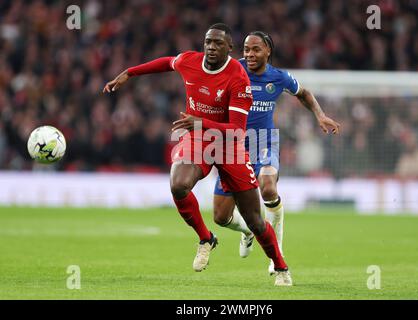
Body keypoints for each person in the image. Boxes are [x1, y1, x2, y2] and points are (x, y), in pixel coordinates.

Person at [103, 24, 292, 286]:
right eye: (208, 42)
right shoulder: (191, 61)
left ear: (229, 49)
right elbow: (166, 63)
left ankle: (281, 267)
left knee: (255, 221)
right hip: (198, 138)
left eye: (217, 44)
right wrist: (128, 73)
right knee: (178, 184)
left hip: (229, 146)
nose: (211, 48)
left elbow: (237, 130)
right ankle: (206, 239)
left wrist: (201, 123)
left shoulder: (238, 77)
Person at [213, 31, 340, 275]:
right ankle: (249, 230)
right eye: (246, 49)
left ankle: (276, 255)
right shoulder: (232, 69)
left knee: (268, 188)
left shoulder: (279, 77)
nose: (249, 54)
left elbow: (304, 94)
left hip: (264, 142)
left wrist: (320, 115)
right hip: (234, 146)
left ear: (268, 51)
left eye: (256, 49)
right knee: (220, 216)